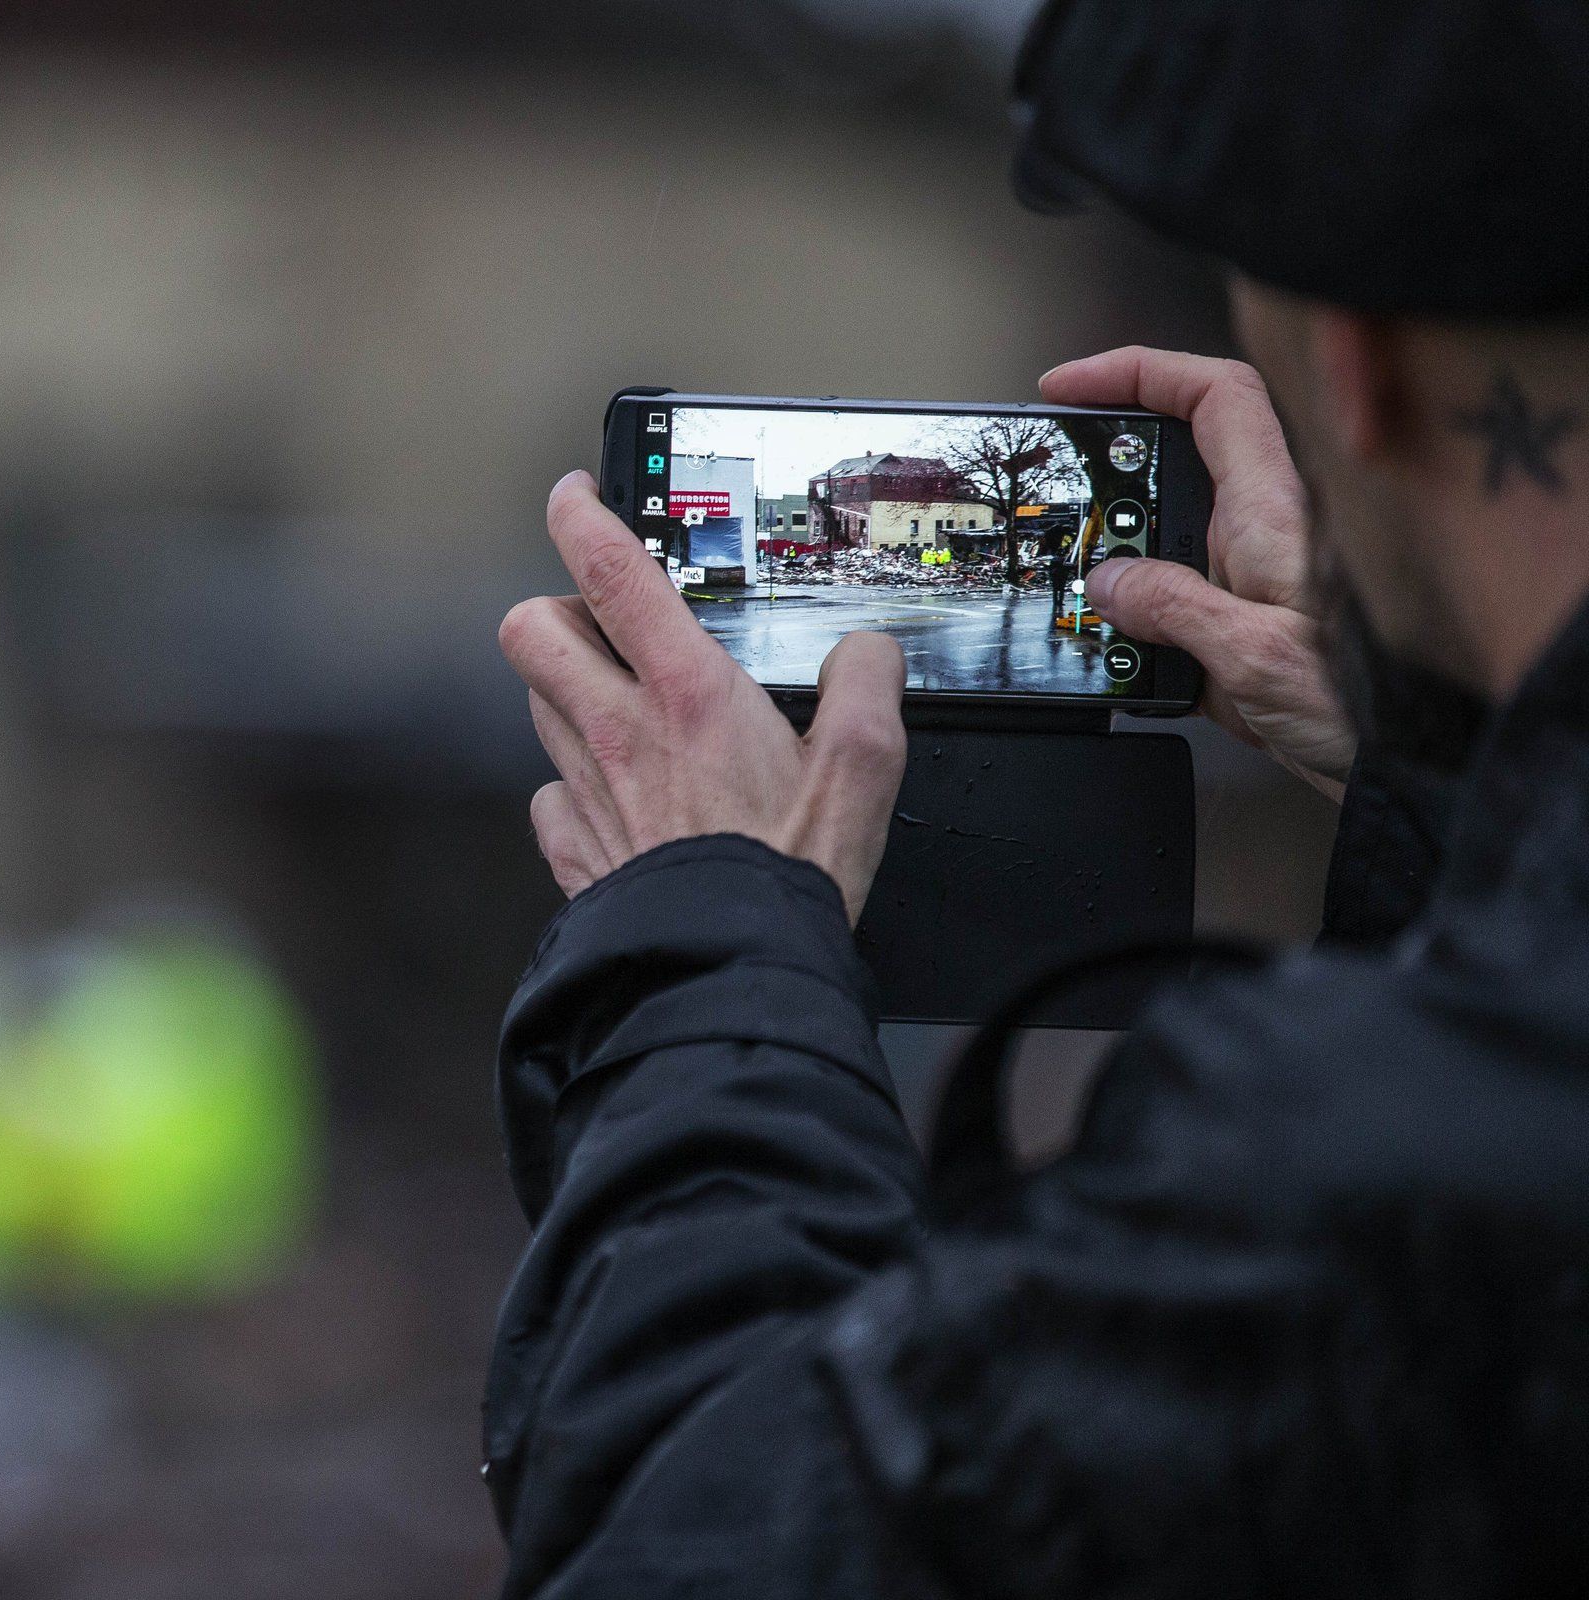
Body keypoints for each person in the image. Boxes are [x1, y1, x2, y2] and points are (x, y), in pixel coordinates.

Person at [483, 1, 1589, 1594]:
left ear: (1359, 371)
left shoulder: (1367, 1187)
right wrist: (1447, 767)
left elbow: (689, 1536)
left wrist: (700, 947)